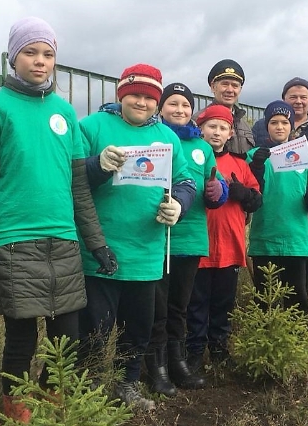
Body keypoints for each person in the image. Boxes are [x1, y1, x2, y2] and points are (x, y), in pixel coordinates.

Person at [0, 16, 118, 423]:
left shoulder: (65, 113)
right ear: (14, 58)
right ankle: (16, 403)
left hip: (63, 241)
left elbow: (79, 188)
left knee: (69, 333)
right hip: (12, 241)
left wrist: (96, 242)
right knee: (22, 337)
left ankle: (52, 392)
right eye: (30, 52)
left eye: (48, 54)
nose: (40, 61)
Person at [78, 64, 196, 411]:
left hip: (146, 252)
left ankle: (126, 385)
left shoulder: (168, 138)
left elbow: (186, 180)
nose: (141, 101)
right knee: (94, 330)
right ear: (121, 94)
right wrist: (96, 165)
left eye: (149, 97)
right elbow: (70, 177)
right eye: (135, 94)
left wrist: (179, 204)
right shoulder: (92, 127)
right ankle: (89, 389)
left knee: (139, 328)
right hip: (99, 250)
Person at [146, 83, 228, 396]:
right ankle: (156, 366)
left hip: (190, 238)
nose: (179, 110)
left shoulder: (203, 147)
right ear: (160, 107)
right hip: (158, 237)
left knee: (179, 306)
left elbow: (214, 183)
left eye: (185, 105)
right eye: (173, 104)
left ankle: (177, 362)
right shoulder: (152, 139)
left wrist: (218, 192)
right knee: (157, 308)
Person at [186, 104, 262, 370]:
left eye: (223, 128)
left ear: (230, 133)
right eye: (211, 127)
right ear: (201, 128)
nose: (216, 132)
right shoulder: (191, 158)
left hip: (230, 246)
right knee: (195, 303)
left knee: (223, 303)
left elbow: (256, 200)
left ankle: (219, 350)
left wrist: (244, 194)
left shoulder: (239, 165)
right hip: (199, 245)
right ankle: (194, 352)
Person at [251, 77, 308, 300]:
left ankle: (297, 333)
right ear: (266, 127)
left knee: (297, 293)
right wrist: (256, 167)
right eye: (274, 122)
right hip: (264, 235)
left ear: (292, 127)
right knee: (265, 296)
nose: (279, 127)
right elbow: (252, 190)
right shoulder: (255, 155)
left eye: (284, 123)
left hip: (296, 237)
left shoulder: (307, 155)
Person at [202, 59, 255, 155]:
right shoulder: (199, 120)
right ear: (213, 87)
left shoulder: (245, 126)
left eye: (235, 86)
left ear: (240, 90)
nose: (230, 90)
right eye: (225, 84)